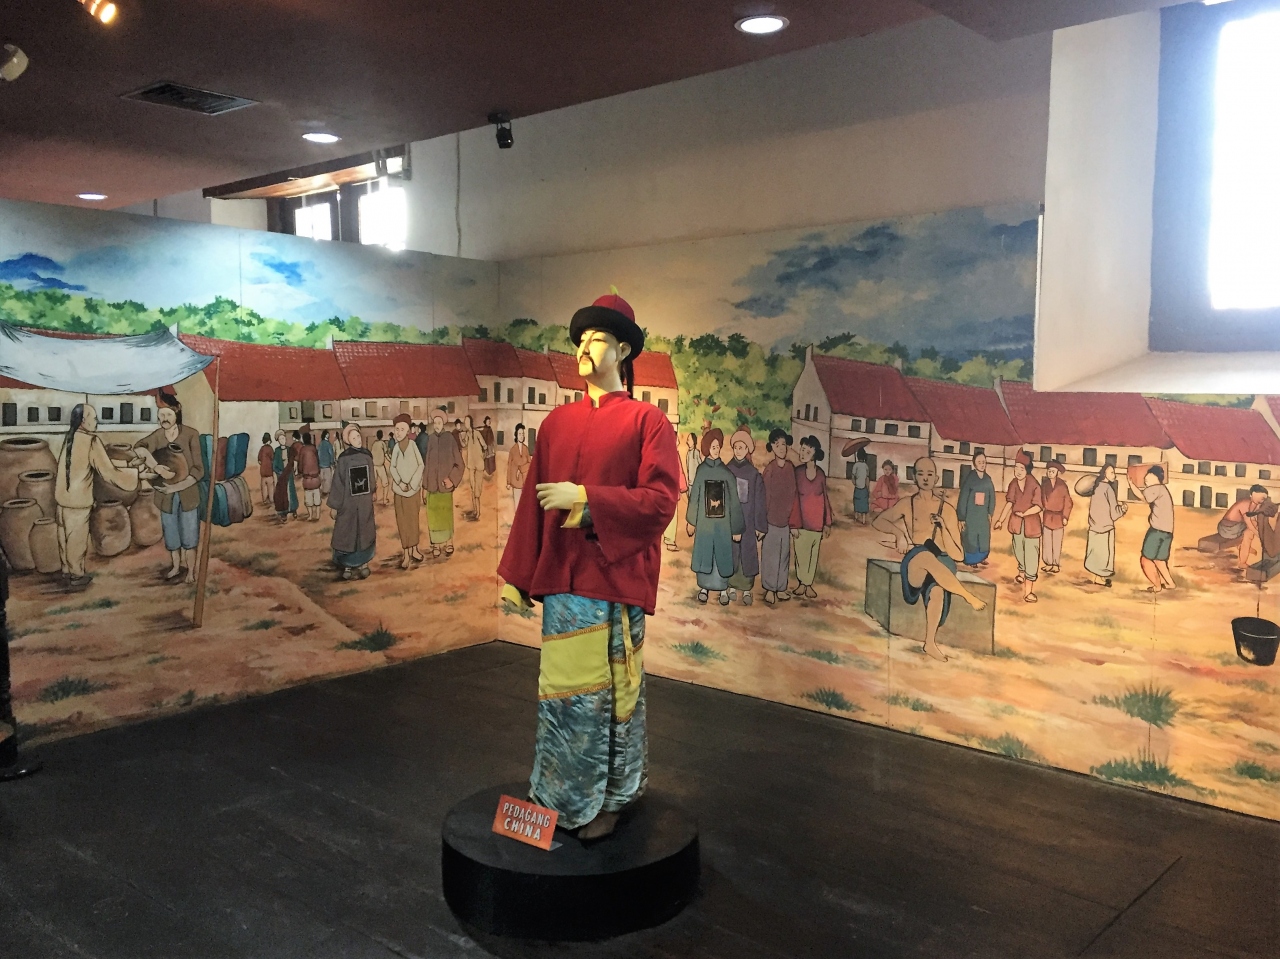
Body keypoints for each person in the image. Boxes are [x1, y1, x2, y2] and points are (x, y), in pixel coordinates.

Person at [498, 291, 680, 841]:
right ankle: (557, 795)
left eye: (597, 338)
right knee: (564, 695)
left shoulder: (648, 422)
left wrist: (586, 499)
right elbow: (533, 502)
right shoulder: (557, 424)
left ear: (623, 350)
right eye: (580, 339)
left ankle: (611, 798)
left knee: (613, 697)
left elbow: (660, 501)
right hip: (564, 582)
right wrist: (518, 577)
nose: (584, 347)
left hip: (613, 580)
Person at [873, 457, 987, 662]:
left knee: (937, 591)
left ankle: (930, 643)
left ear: (936, 478)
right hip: (917, 561)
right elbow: (879, 521)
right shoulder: (907, 504)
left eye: (929, 474)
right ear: (914, 477)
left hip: (942, 561)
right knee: (924, 556)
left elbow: (958, 555)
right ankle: (966, 595)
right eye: (920, 474)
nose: (925, 478)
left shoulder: (947, 510)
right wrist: (899, 534)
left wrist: (943, 528)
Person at [53, 404, 139, 589]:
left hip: (62, 497)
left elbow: (94, 462)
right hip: (78, 500)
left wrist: (126, 464)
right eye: (94, 418)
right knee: (76, 539)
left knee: (64, 536)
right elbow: (107, 471)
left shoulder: (71, 436)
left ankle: (66, 571)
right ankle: (76, 576)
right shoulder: (91, 440)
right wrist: (134, 475)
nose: (97, 421)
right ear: (83, 421)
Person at [135, 395, 204, 584]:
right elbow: (139, 448)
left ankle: (191, 571)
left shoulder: (190, 434)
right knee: (171, 534)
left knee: (189, 535)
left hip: (187, 493)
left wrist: (176, 487)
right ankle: (175, 567)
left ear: (176, 412)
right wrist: (156, 467)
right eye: (161, 415)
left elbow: (198, 470)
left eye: (167, 414)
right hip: (165, 495)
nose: (163, 419)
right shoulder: (157, 436)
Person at [687, 428, 744, 606]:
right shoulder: (701, 471)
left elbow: (734, 502)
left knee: (722, 554)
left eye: (718, 446)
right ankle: (704, 588)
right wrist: (691, 521)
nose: (716, 449)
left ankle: (723, 590)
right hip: (704, 524)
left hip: (722, 525)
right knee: (705, 554)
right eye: (713, 447)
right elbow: (695, 497)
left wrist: (736, 528)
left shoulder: (726, 473)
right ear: (706, 448)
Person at [329, 423, 376, 580]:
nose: (358, 440)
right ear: (348, 441)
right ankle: (347, 566)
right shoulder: (344, 459)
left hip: (364, 502)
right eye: (354, 438)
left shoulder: (367, 456)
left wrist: (373, 491)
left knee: (365, 531)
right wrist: (335, 505)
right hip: (348, 503)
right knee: (347, 532)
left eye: (358, 436)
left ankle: (364, 564)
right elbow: (338, 483)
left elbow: (371, 477)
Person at [995, 451, 1043, 603]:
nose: (1018, 471)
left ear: (1027, 469)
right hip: (1016, 523)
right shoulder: (1013, 484)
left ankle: (1028, 592)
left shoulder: (1034, 485)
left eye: (1021, 468)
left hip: (1031, 525)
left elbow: (1039, 506)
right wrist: (1000, 520)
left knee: (1031, 556)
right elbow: (1009, 503)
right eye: (1016, 468)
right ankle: (1021, 571)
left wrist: (1025, 513)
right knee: (1018, 551)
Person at [725, 429, 767, 605]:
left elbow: (759, 501)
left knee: (747, 554)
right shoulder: (727, 470)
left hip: (748, 522)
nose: (738, 451)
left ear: (748, 449)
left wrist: (760, 526)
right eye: (736, 447)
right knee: (731, 553)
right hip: (731, 521)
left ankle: (747, 589)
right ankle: (731, 587)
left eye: (742, 447)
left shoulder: (753, 474)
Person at [789, 435, 833, 599]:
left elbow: (825, 498)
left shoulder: (821, 475)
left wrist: (827, 522)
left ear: (815, 454)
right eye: (802, 450)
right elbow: (792, 498)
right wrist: (793, 524)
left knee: (813, 556)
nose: (803, 453)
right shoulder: (797, 473)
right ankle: (802, 584)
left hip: (817, 524)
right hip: (801, 523)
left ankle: (808, 585)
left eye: (807, 451)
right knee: (801, 555)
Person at [760, 428, 797, 604]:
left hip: (786, 521)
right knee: (770, 556)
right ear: (772, 447)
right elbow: (764, 497)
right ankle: (769, 589)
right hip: (771, 521)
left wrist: (793, 521)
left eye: (783, 444)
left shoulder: (790, 468)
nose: (781, 447)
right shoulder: (770, 470)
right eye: (777, 444)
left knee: (784, 555)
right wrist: (762, 523)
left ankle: (781, 588)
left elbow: (794, 494)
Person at [423, 414, 464, 557]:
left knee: (445, 515)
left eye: (439, 422)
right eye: (435, 423)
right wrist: (425, 487)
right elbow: (427, 464)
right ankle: (435, 545)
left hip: (445, 487)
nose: (437, 425)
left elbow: (460, 464)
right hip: (432, 486)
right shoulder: (430, 439)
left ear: (444, 423)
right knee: (433, 516)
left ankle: (449, 543)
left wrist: (452, 479)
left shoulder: (450, 439)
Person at [388, 413, 425, 569]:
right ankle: (406, 554)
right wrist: (401, 483)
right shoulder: (396, 448)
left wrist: (412, 483)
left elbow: (421, 465)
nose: (398, 433)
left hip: (413, 491)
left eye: (402, 429)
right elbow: (392, 467)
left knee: (413, 520)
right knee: (402, 522)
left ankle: (415, 550)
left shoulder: (413, 446)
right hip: (399, 492)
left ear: (408, 431)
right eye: (396, 429)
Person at [1084, 464, 1126, 587]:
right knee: (1103, 554)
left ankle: (1098, 577)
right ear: (1104, 474)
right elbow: (1114, 513)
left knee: (1095, 552)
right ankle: (1099, 578)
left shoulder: (1096, 487)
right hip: (1105, 527)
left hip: (1094, 526)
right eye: (1112, 472)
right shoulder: (1108, 489)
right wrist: (1123, 509)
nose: (1114, 475)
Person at [1140, 465, 1176, 593]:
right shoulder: (1163, 489)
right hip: (1167, 532)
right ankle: (1170, 583)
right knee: (1159, 560)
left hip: (1157, 531)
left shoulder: (1156, 488)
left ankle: (1157, 586)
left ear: (1156, 478)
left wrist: (1133, 485)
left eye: (1148, 479)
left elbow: (1145, 497)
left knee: (1145, 559)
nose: (1146, 481)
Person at [956, 451, 995, 568]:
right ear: (974, 463)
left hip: (983, 514)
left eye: (984, 462)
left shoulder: (988, 479)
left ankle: (982, 557)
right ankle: (972, 560)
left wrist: (990, 512)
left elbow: (992, 496)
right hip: (971, 514)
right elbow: (963, 497)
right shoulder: (970, 479)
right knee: (971, 536)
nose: (982, 464)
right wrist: (962, 517)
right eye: (979, 462)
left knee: (983, 536)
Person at [1218, 486, 1269, 572]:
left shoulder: (1255, 505)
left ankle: (1244, 547)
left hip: (1237, 526)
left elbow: (1253, 520)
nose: (1262, 500)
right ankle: (1242, 562)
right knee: (1249, 533)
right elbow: (1249, 524)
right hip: (1227, 529)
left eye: (1264, 499)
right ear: (1252, 495)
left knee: (1252, 528)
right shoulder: (1245, 504)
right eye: (1261, 498)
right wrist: (1261, 536)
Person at [1039, 459, 1073, 574]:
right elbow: (1041, 499)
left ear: (1057, 472)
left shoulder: (1062, 486)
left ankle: (1055, 564)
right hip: (1047, 516)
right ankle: (1048, 563)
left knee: (1057, 542)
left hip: (1058, 517)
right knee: (1047, 541)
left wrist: (1065, 517)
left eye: (1052, 471)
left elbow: (1068, 502)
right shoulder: (1045, 485)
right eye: (1049, 471)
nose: (1050, 473)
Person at [460, 415, 487, 520]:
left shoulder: (477, 433)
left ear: (470, 422)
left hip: (479, 466)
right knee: (472, 487)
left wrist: (482, 456)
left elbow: (485, 446)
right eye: (465, 422)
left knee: (477, 490)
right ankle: (475, 510)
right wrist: (460, 438)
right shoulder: (467, 434)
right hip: (471, 465)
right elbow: (464, 445)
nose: (465, 424)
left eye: (467, 422)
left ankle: (478, 512)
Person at [271, 429, 297, 522]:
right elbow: (275, 465)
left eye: (283, 438)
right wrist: (280, 472)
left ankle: (293, 509)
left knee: (291, 492)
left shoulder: (290, 450)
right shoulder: (277, 451)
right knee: (282, 493)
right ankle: (283, 513)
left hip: (289, 474)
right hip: (281, 476)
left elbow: (293, 461)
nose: (283, 440)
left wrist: (292, 469)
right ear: (278, 441)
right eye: (280, 439)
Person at [296, 432, 322, 522]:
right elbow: (318, 461)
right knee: (317, 497)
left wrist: (300, 471)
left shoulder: (302, 450)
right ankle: (317, 515)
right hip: (315, 477)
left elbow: (300, 464)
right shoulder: (314, 448)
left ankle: (310, 516)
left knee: (308, 498)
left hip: (306, 478)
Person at [506, 422, 531, 513]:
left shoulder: (526, 449)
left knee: (524, 505)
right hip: (516, 481)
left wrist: (523, 469)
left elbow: (530, 464)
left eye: (523, 434)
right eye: (520, 434)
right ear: (516, 435)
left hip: (524, 480)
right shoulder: (513, 450)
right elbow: (509, 466)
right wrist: (508, 482)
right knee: (517, 505)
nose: (521, 436)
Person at [370, 429, 391, 505]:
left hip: (374, 465)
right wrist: (391, 460)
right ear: (382, 436)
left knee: (374, 483)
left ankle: (374, 497)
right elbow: (386, 454)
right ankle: (384, 499)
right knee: (385, 483)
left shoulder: (374, 444)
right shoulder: (382, 443)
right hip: (380, 466)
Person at [851, 447, 870, 525]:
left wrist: (855, 483)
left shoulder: (855, 465)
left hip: (858, 487)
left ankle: (856, 517)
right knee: (864, 503)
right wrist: (868, 488)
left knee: (857, 502)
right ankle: (863, 520)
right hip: (864, 487)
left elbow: (853, 476)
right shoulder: (866, 466)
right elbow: (867, 478)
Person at [257, 432, 275, 507]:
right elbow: (273, 458)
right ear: (269, 440)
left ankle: (264, 500)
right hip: (269, 471)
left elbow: (259, 460)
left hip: (263, 471)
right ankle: (271, 499)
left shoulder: (261, 449)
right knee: (270, 486)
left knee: (264, 486)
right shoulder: (270, 448)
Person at [317, 430, 335, 497]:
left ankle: (323, 491)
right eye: (327, 434)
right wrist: (332, 462)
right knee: (328, 478)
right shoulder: (328, 444)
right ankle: (326, 491)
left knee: (322, 478)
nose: (328, 435)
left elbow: (318, 454)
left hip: (321, 464)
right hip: (327, 464)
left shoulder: (320, 444)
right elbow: (331, 454)